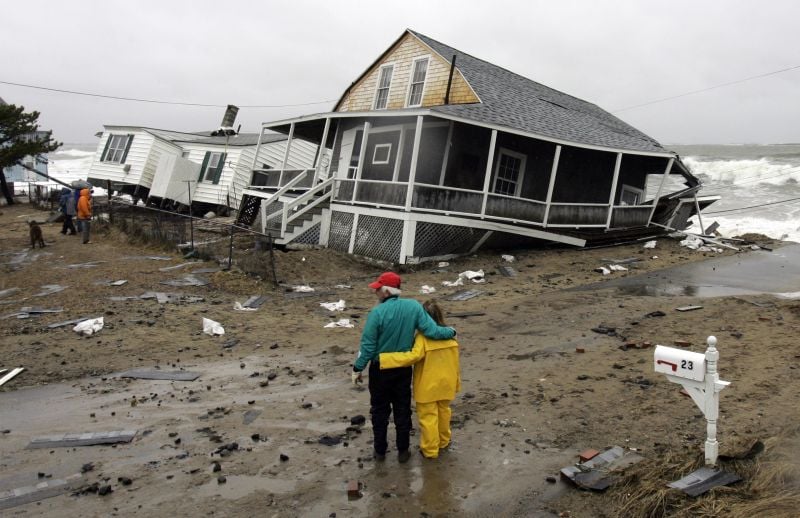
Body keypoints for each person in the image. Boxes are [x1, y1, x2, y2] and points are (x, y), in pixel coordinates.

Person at [352, 272, 456, 463]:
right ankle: (403, 451)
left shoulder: (376, 313)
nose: (375, 292)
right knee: (402, 408)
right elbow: (432, 331)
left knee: (379, 411)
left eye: (377, 289)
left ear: (385, 291)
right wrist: (451, 331)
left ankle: (380, 451)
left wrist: (357, 368)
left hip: (380, 369)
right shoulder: (414, 306)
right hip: (402, 370)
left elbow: (367, 346)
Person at [379, 300, 460, 459]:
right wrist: (456, 383)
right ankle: (443, 441)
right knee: (444, 413)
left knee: (428, 418)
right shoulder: (450, 335)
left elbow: (412, 357)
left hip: (428, 386)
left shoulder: (422, 338)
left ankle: (430, 450)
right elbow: (455, 362)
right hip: (447, 384)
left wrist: (385, 359)